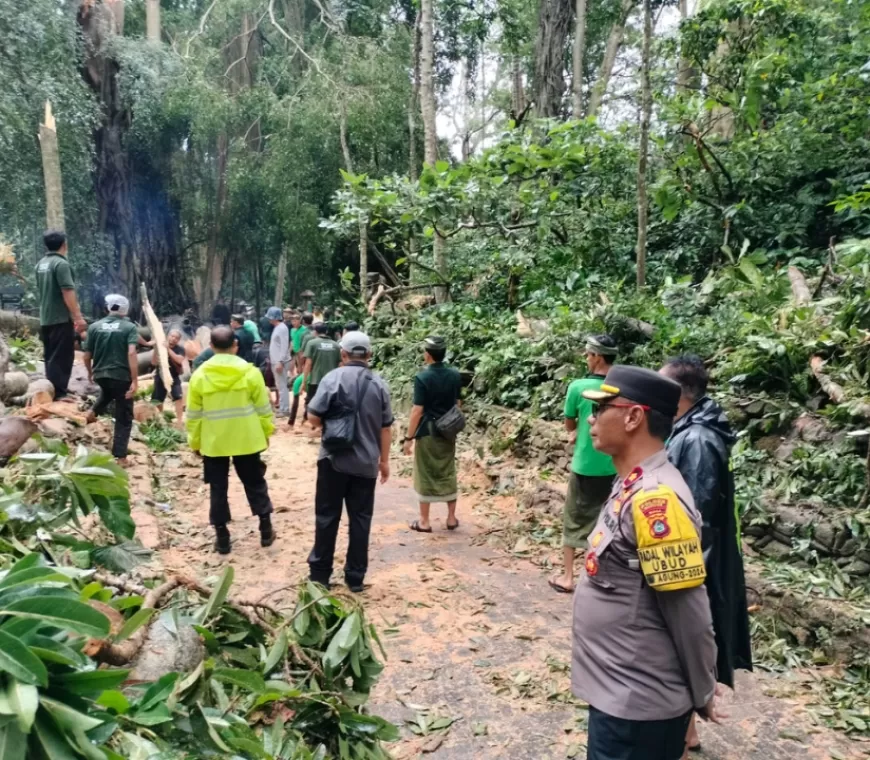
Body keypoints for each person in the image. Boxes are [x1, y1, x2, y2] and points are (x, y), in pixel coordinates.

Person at [572, 365, 721, 760]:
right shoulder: (632, 482)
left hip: (637, 708)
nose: (591, 417)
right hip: (618, 694)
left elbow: (690, 613)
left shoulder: (658, 502)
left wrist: (702, 690)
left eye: (602, 407)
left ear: (633, 416)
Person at [660, 356, 752, 755]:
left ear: (680, 394)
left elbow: (694, 516)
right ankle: (688, 731)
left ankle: (682, 733)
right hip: (704, 559)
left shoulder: (697, 440)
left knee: (682, 646)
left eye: (661, 385)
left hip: (701, 562)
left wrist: (683, 573)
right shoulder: (690, 429)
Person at [306, 331, 393, 592]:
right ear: (369, 355)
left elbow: (313, 416)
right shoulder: (379, 384)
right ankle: (355, 578)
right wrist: (384, 461)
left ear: (342, 354)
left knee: (326, 516)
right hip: (366, 465)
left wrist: (331, 426)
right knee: (361, 519)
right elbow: (385, 428)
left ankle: (320, 575)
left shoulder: (332, 378)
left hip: (333, 460)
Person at [186, 325, 276, 554]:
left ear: (212, 346)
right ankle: (266, 530)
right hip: (247, 439)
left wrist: (195, 442)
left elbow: (193, 415)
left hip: (214, 442)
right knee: (255, 483)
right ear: (235, 345)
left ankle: (223, 537)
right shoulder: (250, 373)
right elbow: (263, 409)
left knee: (218, 488)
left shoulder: (200, 376)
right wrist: (266, 433)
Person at [549, 335, 618, 593]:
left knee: (574, 519)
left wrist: (576, 430)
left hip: (586, 464)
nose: (587, 359)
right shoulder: (622, 386)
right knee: (607, 520)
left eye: (588, 355)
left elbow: (569, 424)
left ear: (597, 356)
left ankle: (568, 576)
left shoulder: (579, 387)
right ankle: (597, 575)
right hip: (615, 466)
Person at [403, 337, 462, 533]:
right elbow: (458, 404)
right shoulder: (455, 375)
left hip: (428, 432)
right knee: (447, 470)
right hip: (448, 431)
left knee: (425, 472)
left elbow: (417, 411)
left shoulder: (422, 378)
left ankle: (424, 521)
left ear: (427, 354)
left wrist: (409, 438)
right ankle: (451, 518)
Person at [83, 295, 139, 464]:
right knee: (124, 415)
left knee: (107, 392)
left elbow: (86, 355)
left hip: (101, 374)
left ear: (108, 308)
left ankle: (92, 413)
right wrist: (135, 380)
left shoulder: (94, 327)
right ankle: (120, 456)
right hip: (121, 377)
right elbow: (131, 353)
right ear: (125, 310)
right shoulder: (129, 327)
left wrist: (90, 372)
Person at [36, 229, 87, 399]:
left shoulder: (41, 264)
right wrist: (78, 317)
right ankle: (59, 393)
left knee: (51, 355)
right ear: (64, 245)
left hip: (46, 317)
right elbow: (67, 291)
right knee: (62, 356)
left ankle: (54, 389)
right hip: (60, 317)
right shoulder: (61, 264)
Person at [301, 323, 341, 412]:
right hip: (332, 381)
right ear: (326, 331)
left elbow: (308, 364)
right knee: (330, 404)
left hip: (315, 380)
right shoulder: (336, 345)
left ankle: (311, 422)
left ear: (315, 332)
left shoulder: (311, 343)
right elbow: (340, 364)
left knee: (312, 403)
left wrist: (304, 381)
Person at [151, 328, 186, 423]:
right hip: (160, 376)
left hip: (174, 377)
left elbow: (179, 360)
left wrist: (168, 349)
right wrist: (155, 349)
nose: (173, 339)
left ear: (178, 340)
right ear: (168, 336)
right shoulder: (160, 346)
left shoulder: (180, 349)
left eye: (176, 338)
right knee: (158, 399)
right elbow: (154, 363)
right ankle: (161, 419)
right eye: (172, 336)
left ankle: (179, 421)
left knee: (178, 397)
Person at [267, 306, 291, 416]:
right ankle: (283, 407)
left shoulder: (282, 328)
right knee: (279, 385)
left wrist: (280, 361)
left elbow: (284, 346)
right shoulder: (278, 327)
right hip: (276, 361)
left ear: (274, 318)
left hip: (280, 362)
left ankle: (284, 409)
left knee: (282, 386)